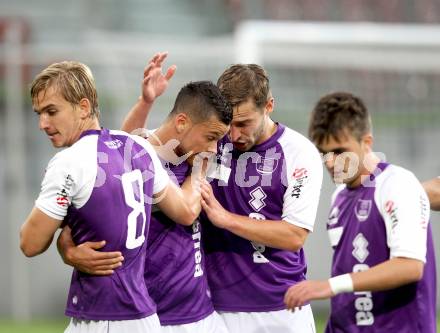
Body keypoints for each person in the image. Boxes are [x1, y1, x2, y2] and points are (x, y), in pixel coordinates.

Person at [20, 60, 202, 333]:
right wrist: (200, 169)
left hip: (103, 318)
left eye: (51, 111)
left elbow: (30, 243)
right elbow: (185, 211)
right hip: (145, 318)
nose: (43, 123)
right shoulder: (136, 146)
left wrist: (65, 247)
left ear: (83, 107)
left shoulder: (69, 162)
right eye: (39, 114)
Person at [57, 54, 232, 333]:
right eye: (210, 138)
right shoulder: (144, 157)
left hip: (201, 313)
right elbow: (116, 153)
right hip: (150, 316)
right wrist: (67, 250)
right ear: (183, 123)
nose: (214, 148)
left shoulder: (204, 154)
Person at [284, 92, 437, 332]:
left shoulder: (396, 184)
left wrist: (330, 286)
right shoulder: (339, 197)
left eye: (339, 151)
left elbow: (410, 266)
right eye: (323, 153)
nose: (331, 162)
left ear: (367, 142)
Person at [198, 64, 323, 333]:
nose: (234, 135)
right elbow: (138, 148)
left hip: (283, 311)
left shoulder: (299, 152)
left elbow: (294, 236)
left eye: (244, 123)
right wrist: (146, 102)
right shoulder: (209, 144)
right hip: (218, 313)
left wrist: (226, 219)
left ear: (269, 106)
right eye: (228, 123)